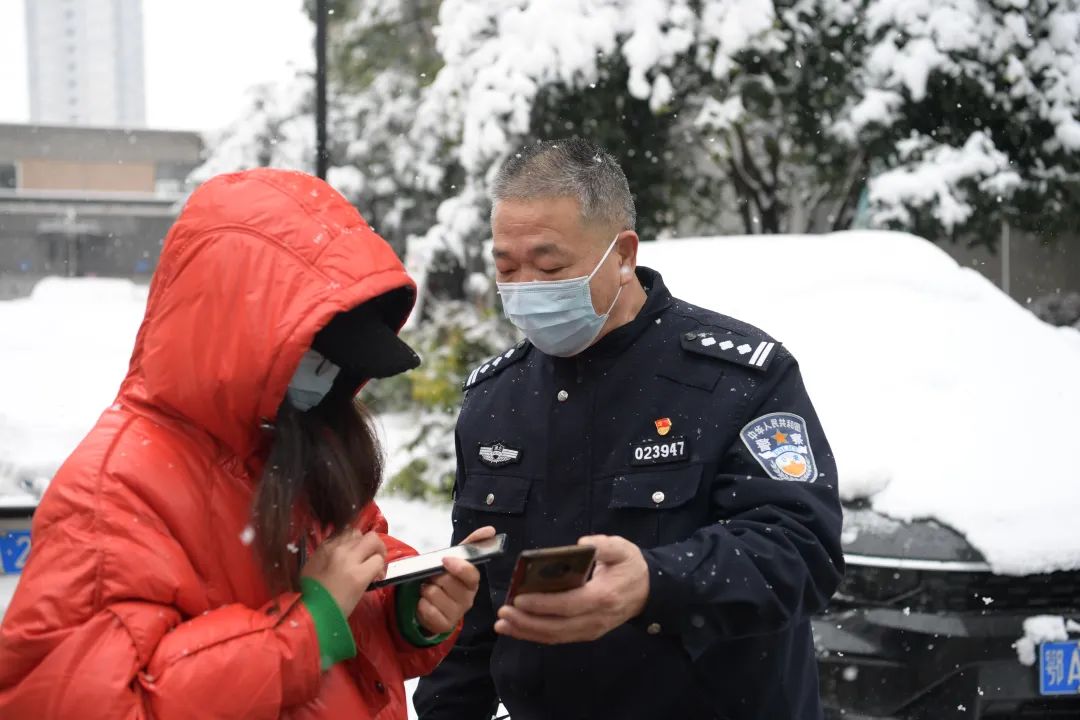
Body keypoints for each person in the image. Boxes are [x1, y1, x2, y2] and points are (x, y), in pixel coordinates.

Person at [0, 168, 491, 720]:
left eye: (342, 366)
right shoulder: (112, 495)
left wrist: (411, 609)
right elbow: (78, 704)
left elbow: (358, 566)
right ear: (237, 332)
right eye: (318, 355)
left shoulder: (298, 439)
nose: (329, 380)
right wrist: (306, 627)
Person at [414, 138, 845, 720]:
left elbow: (801, 549)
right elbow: (477, 604)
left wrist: (656, 584)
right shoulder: (496, 400)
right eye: (506, 267)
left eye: (549, 265)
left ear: (621, 255)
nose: (524, 289)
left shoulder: (735, 377)